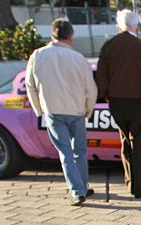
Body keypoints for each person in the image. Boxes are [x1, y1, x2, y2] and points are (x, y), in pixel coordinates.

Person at [25, 18, 97, 206]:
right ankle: (82, 185)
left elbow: (30, 86)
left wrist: (39, 109)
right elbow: (91, 88)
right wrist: (88, 110)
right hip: (77, 110)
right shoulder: (78, 58)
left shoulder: (38, 55)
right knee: (79, 151)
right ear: (70, 36)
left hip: (52, 110)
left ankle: (77, 190)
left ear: (52, 35)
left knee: (65, 152)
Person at [95, 8, 141, 199]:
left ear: (118, 25)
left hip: (116, 101)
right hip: (137, 101)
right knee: (139, 143)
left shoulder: (109, 46)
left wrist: (105, 95)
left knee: (125, 141)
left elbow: (101, 75)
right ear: (137, 25)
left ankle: (130, 183)